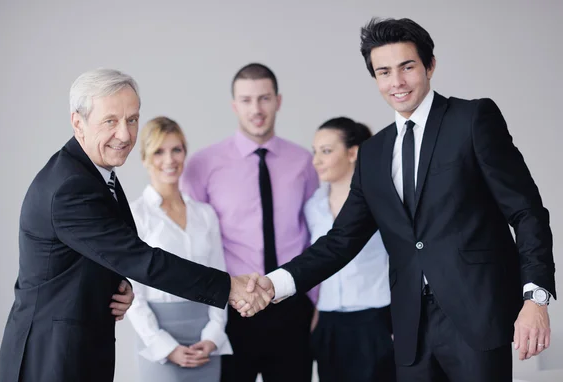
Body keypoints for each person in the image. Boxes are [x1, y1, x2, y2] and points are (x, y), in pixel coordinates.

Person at [241, 18, 556, 382]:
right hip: (409, 327)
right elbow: (341, 240)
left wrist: (535, 298)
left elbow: (526, 210)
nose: (397, 82)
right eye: (384, 72)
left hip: (476, 318)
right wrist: (277, 283)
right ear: (375, 78)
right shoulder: (373, 154)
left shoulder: (472, 120)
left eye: (407, 67)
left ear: (429, 65)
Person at [0, 68, 271, 382]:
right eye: (110, 121)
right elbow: (140, 258)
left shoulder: (95, 174)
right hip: (51, 357)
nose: (125, 135)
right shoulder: (71, 187)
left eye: (132, 119)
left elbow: (99, 251)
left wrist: (116, 285)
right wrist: (229, 286)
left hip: (77, 349)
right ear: (78, 122)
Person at [181, 63, 319, 382]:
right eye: (246, 100)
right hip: (232, 307)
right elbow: (194, 239)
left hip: (291, 306)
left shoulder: (304, 162)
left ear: (278, 101)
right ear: (234, 105)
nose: (256, 109)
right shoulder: (203, 165)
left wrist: (315, 302)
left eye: (264, 98)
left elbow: (317, 233)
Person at [127, 116, 232, 381]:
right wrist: (165, 346)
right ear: (145, 158)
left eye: (176, 149)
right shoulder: (135, 215)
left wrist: (213, 335)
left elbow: (219, 278)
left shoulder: (205, 214)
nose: (170, 159)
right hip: (158, 338)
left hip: (205, 338)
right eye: (159, 151)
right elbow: (132, 293)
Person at [307, 117, 395, 382]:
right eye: (315, 152)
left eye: (326, 151)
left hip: (375, 320)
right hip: (329, 322)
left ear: (353, 152)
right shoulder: (313, 206)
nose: (316, 161)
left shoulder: (381, 201)